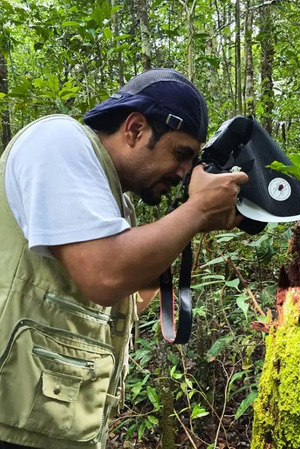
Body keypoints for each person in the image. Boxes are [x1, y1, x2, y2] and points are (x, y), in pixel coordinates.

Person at [0, 68, 248, 449]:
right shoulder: (59, 140)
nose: (183, 172)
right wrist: (196, 211)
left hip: (53, 425)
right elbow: (105, 276)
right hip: (11, 421)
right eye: (181, 153)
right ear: (134, 129)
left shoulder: (117, 205)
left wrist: (194, 222)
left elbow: (135, 298)